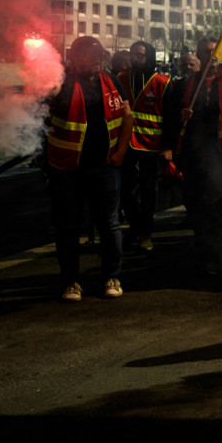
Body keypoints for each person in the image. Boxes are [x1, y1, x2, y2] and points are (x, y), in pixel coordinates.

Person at [45, 36, 133, 301]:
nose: (97, 60)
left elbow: (128, 117)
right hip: (67, 169)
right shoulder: (62, 83)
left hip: (106, 166)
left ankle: (112, 276)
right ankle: (71, 282)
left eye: (100, 56)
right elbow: (42, 104)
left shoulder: (111, 80)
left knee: (109, 224)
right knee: (68, 227)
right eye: (91, 56)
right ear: (75, 57)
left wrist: (120, 153)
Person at [163, 38, 222, 276]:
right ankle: (203, 251)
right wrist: (181, 120)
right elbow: (169, 119)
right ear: (199, 56)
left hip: (219, 157)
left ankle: (212, 257)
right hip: (192, 156)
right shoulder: (183, 86)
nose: (211, 56)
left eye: (214, 52)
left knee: (215, 209)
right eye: (206, 52)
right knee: (195, 209)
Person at [117, 41, 171, 252]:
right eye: (133, 54)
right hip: (127, 145)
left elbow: (170, 118)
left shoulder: (162, 82)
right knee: (126, 190)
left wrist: (167, 147)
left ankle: (145, 232)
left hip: (151, 147)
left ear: (149, 57)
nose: (136, 58)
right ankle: (136, 226)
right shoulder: (121, 79)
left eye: (140, 55)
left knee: (149, 192)